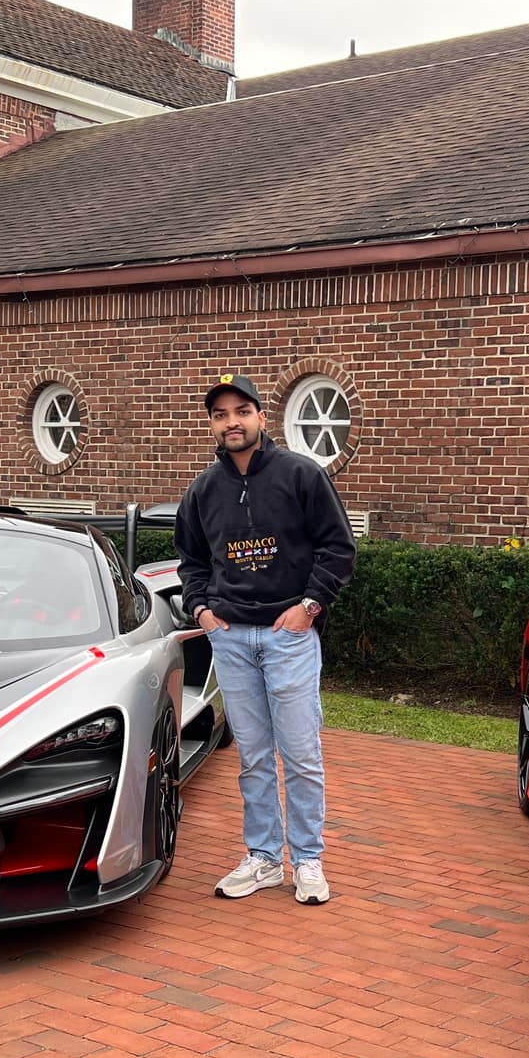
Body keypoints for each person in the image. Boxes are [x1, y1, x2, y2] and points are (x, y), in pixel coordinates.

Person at [176, 374, 357, 905]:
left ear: (260, 416)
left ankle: (307, 859)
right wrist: (202, 610)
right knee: (254, 758)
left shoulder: (301, 475)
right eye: (220, 414)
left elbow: (338, 548)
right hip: (231, 639)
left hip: (289, 637)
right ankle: (263, 858)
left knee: (301, 756)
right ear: (213, 424)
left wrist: (309, 607)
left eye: (241, 411)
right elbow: (191, 560)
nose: (231, 422)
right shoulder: (203, 490)